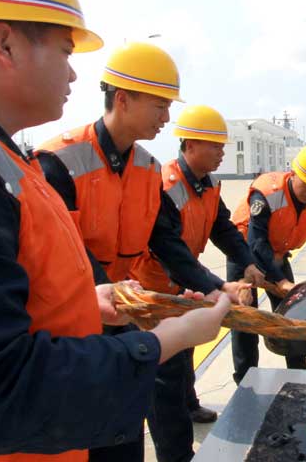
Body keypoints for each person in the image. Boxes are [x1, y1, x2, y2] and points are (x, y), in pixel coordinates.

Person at [0, 0, 231, 462]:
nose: (73, 74)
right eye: (64, 51)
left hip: (69, 411)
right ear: (5, 44)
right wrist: (163, 342)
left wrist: (91, 303)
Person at [36, 41, 248, 462]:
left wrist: (212, 284)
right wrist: (109, 293)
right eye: (159, 105)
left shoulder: (147, 169)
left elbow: (164, 240)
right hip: (73, 319)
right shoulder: (59, 162)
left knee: (125, 425)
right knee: (90, 430)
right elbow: (65, 250)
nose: (167, 118)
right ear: (123, 99)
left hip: (121, 311)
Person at [128, 104, 256, 462]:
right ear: (190, 146)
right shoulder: (165, 186)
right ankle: (176, 453)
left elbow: (222, 227)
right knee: (166, 376)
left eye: (222, 146)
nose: (221, 153)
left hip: (183, 283)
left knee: (184, 353)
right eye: (214, 145)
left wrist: (246, 262)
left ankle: (191, 402)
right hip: (155, 290)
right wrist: (216, 285)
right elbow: (167, 250)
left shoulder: (210, 184)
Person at [228, 143, 306, 384]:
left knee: (292, 314)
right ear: (293, 174)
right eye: (305, 184)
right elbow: (256, 242)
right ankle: (246, 379)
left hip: (277, 254)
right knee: (244, 318)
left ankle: (298, 371)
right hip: (244, 254)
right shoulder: (267, 193)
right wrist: (281, 281)